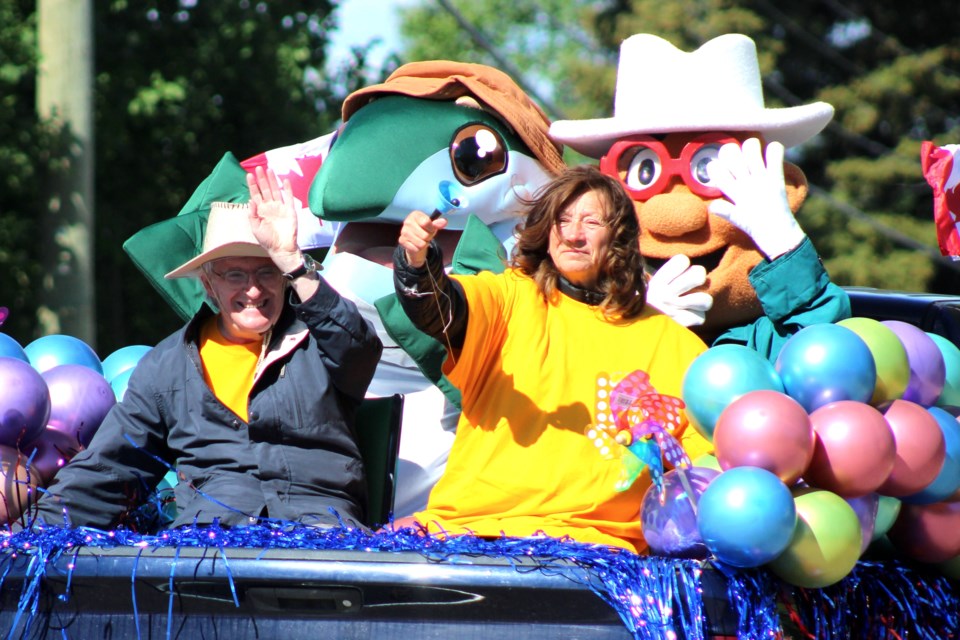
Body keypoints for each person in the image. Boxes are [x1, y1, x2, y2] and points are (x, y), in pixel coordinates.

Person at [35, 167, 383, 530]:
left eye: (267, 272)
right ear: (208, 284)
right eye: (235, 274)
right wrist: (26, 537)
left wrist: (292, 261)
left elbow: (358, 348)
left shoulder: (319, 339)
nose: (253, 290)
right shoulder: (167, 366)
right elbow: (111, 466)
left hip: (320, 532)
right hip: (210, 544)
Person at [391, 165, 709, 553]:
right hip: (472, 536)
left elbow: (707, 469)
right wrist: (417, 263)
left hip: (599, 554)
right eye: (563, 220)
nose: (574, 234)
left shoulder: (676, 345)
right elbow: (439, 307)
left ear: (620, 239)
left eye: (591, 222)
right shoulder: (509, 297)